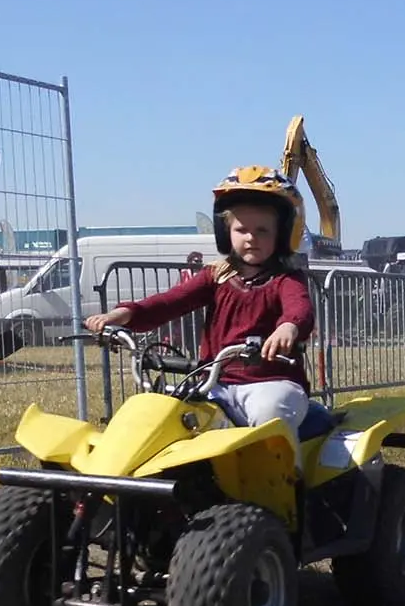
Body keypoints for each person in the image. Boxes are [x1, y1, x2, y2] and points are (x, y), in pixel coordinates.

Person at [85, 166, 315, 431]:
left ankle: (283, 459)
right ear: (225, 232)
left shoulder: (286, 279)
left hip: (273, 383)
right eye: (241, 229)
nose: (251, 238)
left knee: (270, 414)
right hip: (215, 384)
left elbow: (300, 308)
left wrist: (289, 326)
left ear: (283, 234)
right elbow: (170, 301)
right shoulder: (215, 276)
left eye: (263, 230)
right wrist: (124, 314)